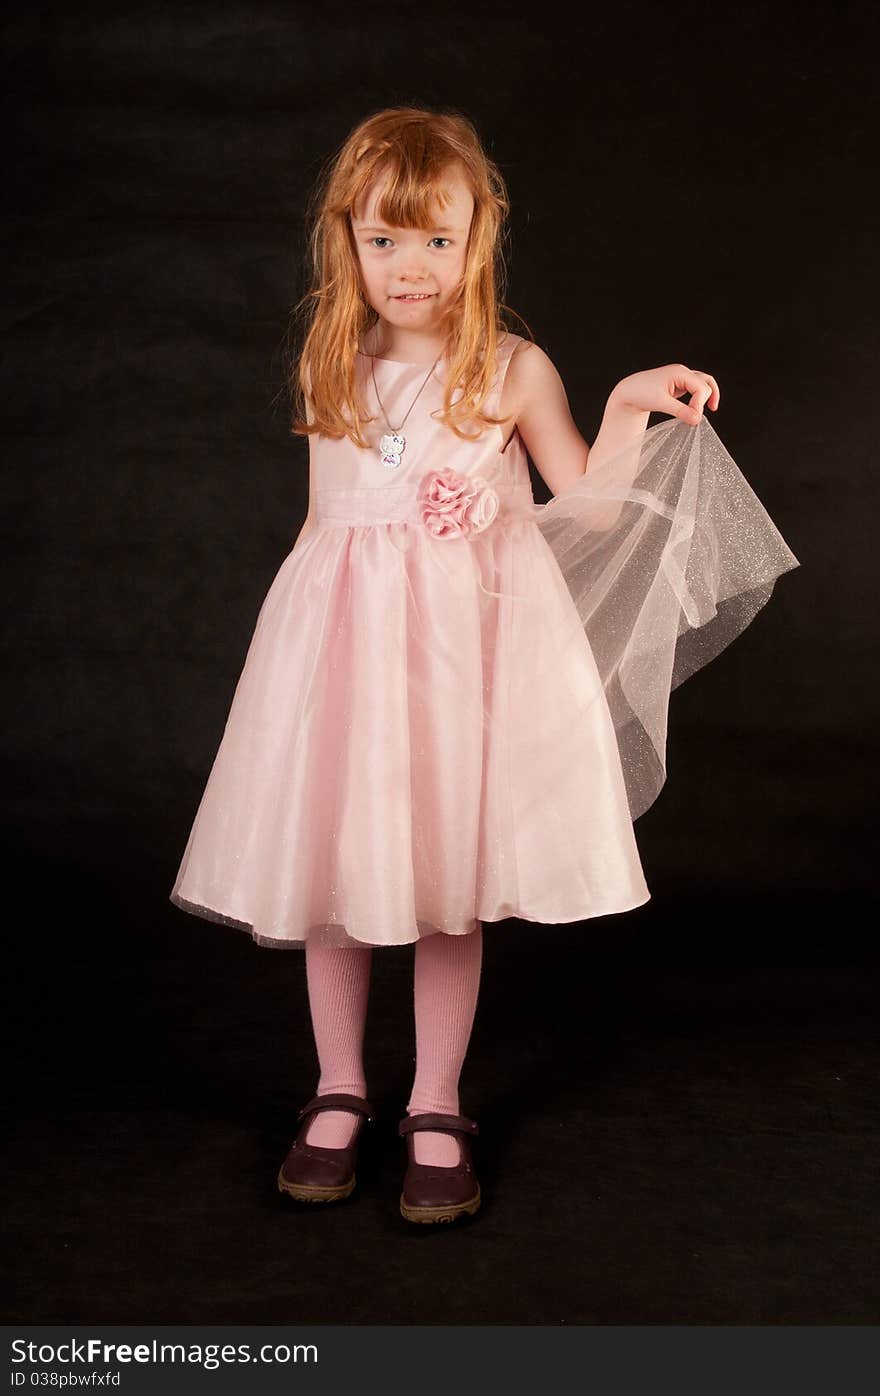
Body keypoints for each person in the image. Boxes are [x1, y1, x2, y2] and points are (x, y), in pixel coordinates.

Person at [169, 106, 800, 1225]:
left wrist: (617, 407)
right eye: (383, 240)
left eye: (435, 240)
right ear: (345, 241)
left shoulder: (508, 367)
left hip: (459, 664)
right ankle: (338, 1087)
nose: (409, 267)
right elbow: (335, 538)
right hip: (346, 657)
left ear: (476, 239)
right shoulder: (335, 361)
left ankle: (435, 1097)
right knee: (336, 877)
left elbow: (589, 514)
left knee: (448, 881)